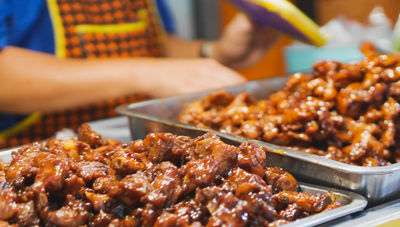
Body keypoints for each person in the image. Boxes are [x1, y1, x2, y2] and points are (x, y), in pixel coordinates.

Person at [0, 0, 277, 147]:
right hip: (32, 160)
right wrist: (143, 73)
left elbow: (156, 44)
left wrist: (214, 52)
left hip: (131, 150)